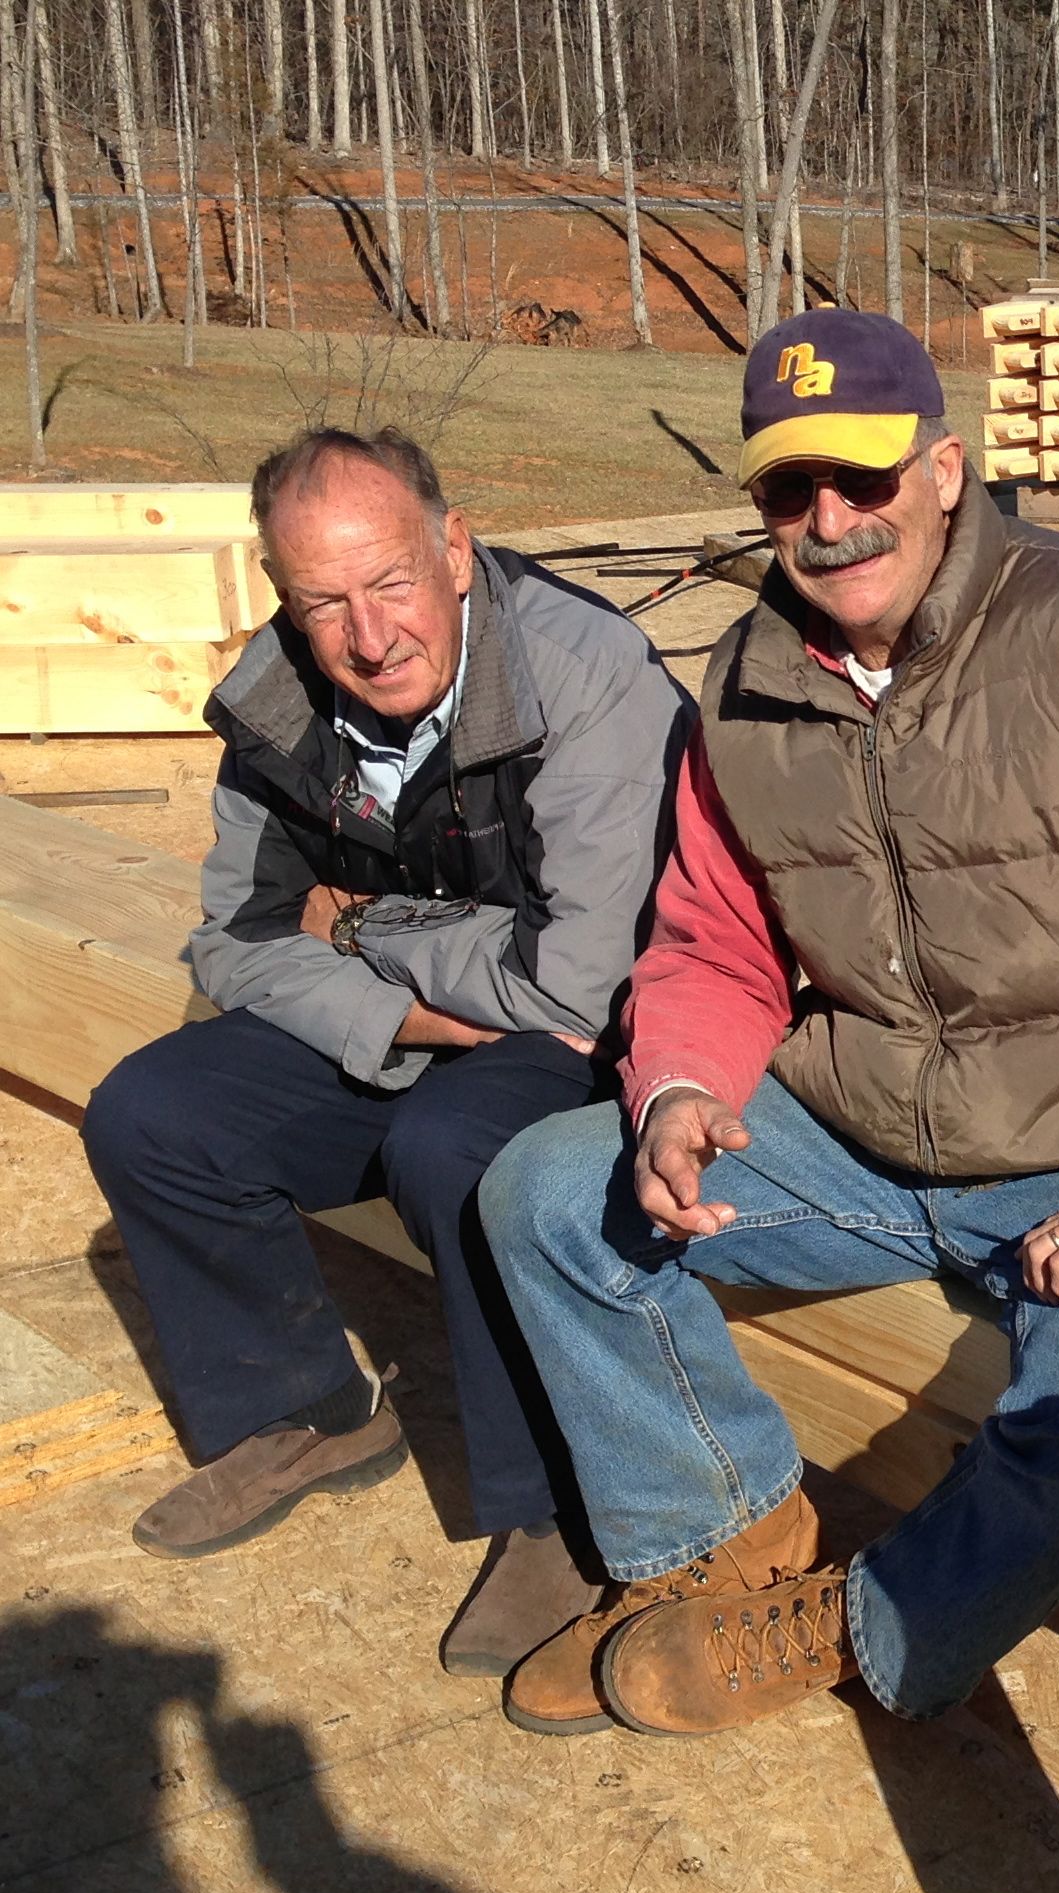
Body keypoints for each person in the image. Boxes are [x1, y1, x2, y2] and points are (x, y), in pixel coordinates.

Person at [479, 309, 1059, 1739]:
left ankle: (863, 1625)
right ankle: (718, 1539)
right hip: (863, 1135)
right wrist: (677, 1090)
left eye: (862, 477)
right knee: (546, 1195)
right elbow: (712, 935)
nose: (828, 521)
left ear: (944, 470)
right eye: (788, 489)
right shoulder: (742, 685)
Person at [82, 426, 690, 1682]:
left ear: (455, 551)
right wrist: (397, 1015)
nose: (370, 636)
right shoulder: (275, 698)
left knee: (452, 1147)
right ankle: (302, 1411)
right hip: (424, 1014)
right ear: (284, 598)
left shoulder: (584, 674)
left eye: (393, 581)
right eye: (325, 603)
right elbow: (239, 937)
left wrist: (364, 926)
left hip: (605, 1030)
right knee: (153, 1115)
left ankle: (555, 1507)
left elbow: (574, 981)